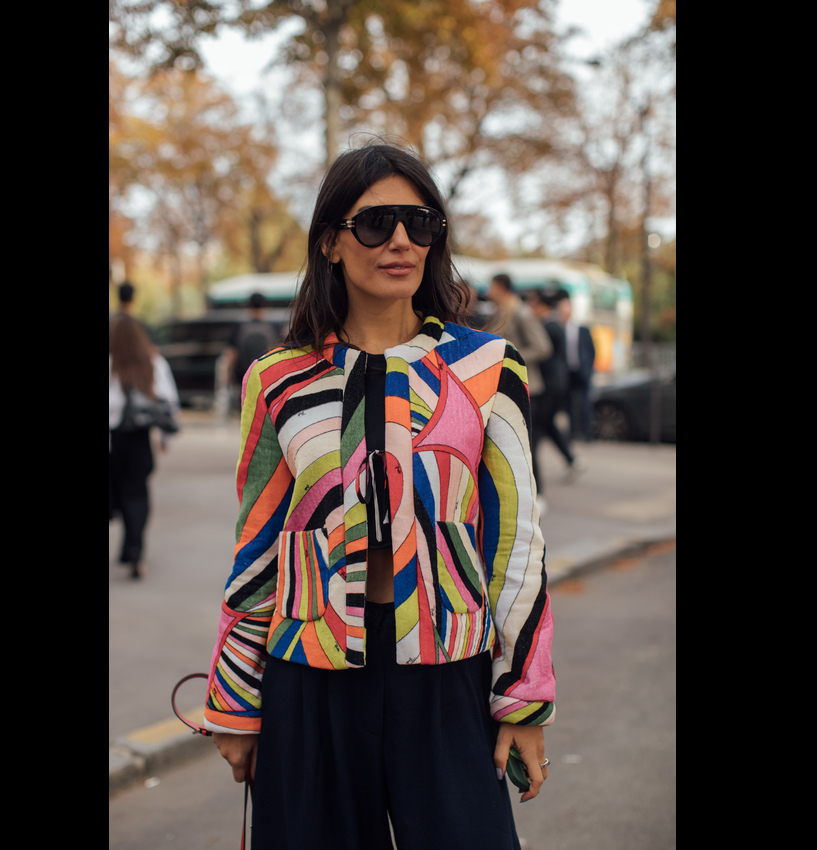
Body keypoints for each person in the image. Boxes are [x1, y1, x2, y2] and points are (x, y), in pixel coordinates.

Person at [203, 143, 556, 850]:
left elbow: (516, 541)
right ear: (330, 241)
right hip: (308, 678)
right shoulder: (277, 378)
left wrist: (523, 699)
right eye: (374, 223)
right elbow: (258, 544)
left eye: (419, 223)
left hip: (447, 675)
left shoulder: (488, 368)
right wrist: (236, 700)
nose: (400, 241)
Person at [109, 313, 180, 579]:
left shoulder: (111, 362)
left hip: (114, 441)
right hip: (140, 442)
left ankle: (130, 548)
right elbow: (168, 402)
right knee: (137, 495)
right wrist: (166, 438)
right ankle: (135, 552)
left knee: (120, 494)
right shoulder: (153, 363)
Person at [485, 273, 553, 500]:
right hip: (505, 388)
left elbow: (543, 347)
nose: (489, 291)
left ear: (500, 287)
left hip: (526, 389)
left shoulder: (521, 312)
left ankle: (537, 494)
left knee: (526, 445)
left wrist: (511, 357)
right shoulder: (501, 311)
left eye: (492, 286)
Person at [531, 289, 582, 479]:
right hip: (555, 384)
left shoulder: (549, 326)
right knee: (546, 425)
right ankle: (571, 460)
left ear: (541, 305)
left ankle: (534, 471)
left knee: (538, 427)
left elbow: (543, 353)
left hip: (550, 385)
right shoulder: (554, 324)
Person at [556, 292, 596, 442]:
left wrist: (589, 369)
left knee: (585, 403)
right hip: (567, 372)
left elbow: (591, 351)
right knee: (569, 404)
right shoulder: (559, 329)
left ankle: (587, 434)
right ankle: (572, 433)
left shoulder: (582, 329)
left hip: (582, 370)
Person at [223, 292, 278, 401]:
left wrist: (228, 375)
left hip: (244, 376)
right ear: (265, 305)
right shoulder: (273, 327)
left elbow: (231, 354)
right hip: (267, 376)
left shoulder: (239, 327)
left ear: (248, 306)